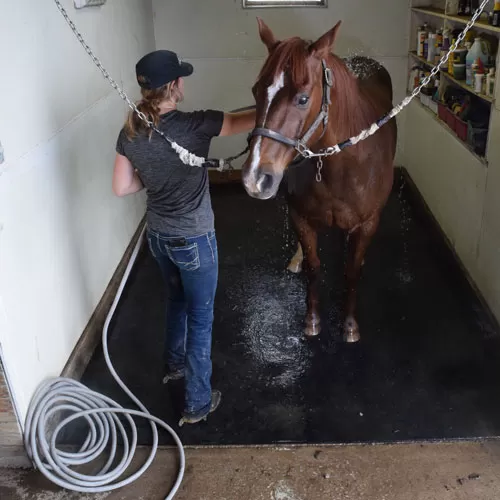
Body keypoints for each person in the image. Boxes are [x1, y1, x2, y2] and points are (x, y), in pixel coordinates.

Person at [112, 49, 256, 425]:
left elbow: (121, 187)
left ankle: (174, 366)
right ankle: (196, 402)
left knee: (176, 301)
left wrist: (153, 171)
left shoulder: (131, 130)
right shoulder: (199, 124)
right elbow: (248, 120)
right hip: (194, 239)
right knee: (201, 317)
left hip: (158, 236)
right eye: (181, 79)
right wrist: (275, 104)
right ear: (175, 85)